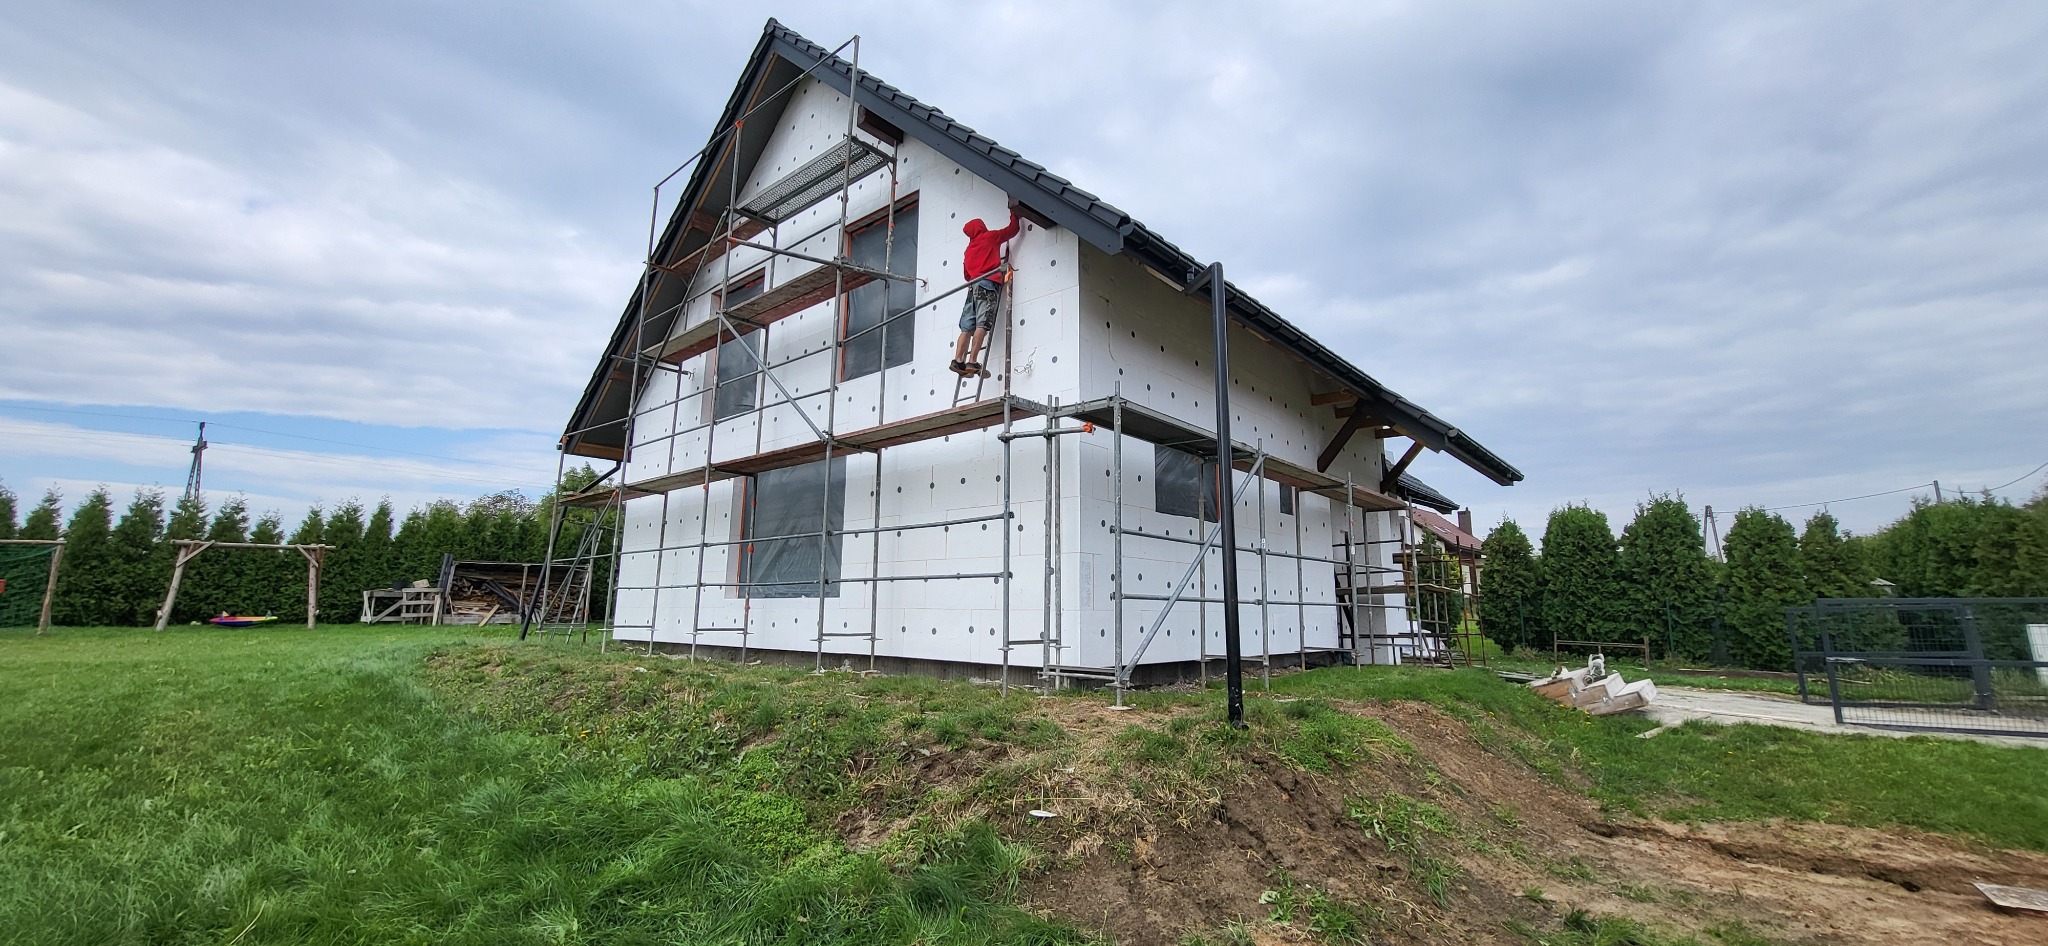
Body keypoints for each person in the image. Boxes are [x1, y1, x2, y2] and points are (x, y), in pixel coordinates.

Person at [950, 206, 1022, 377]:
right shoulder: (989, 237)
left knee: (967, 327)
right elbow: (1012, 230)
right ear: (981, 227)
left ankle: (958, 360)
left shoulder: (968, 250)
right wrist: (1014, 212)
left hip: (972, 288)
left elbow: (967, 275)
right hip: (988, 285)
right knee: (982, 323)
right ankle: (972, 361)